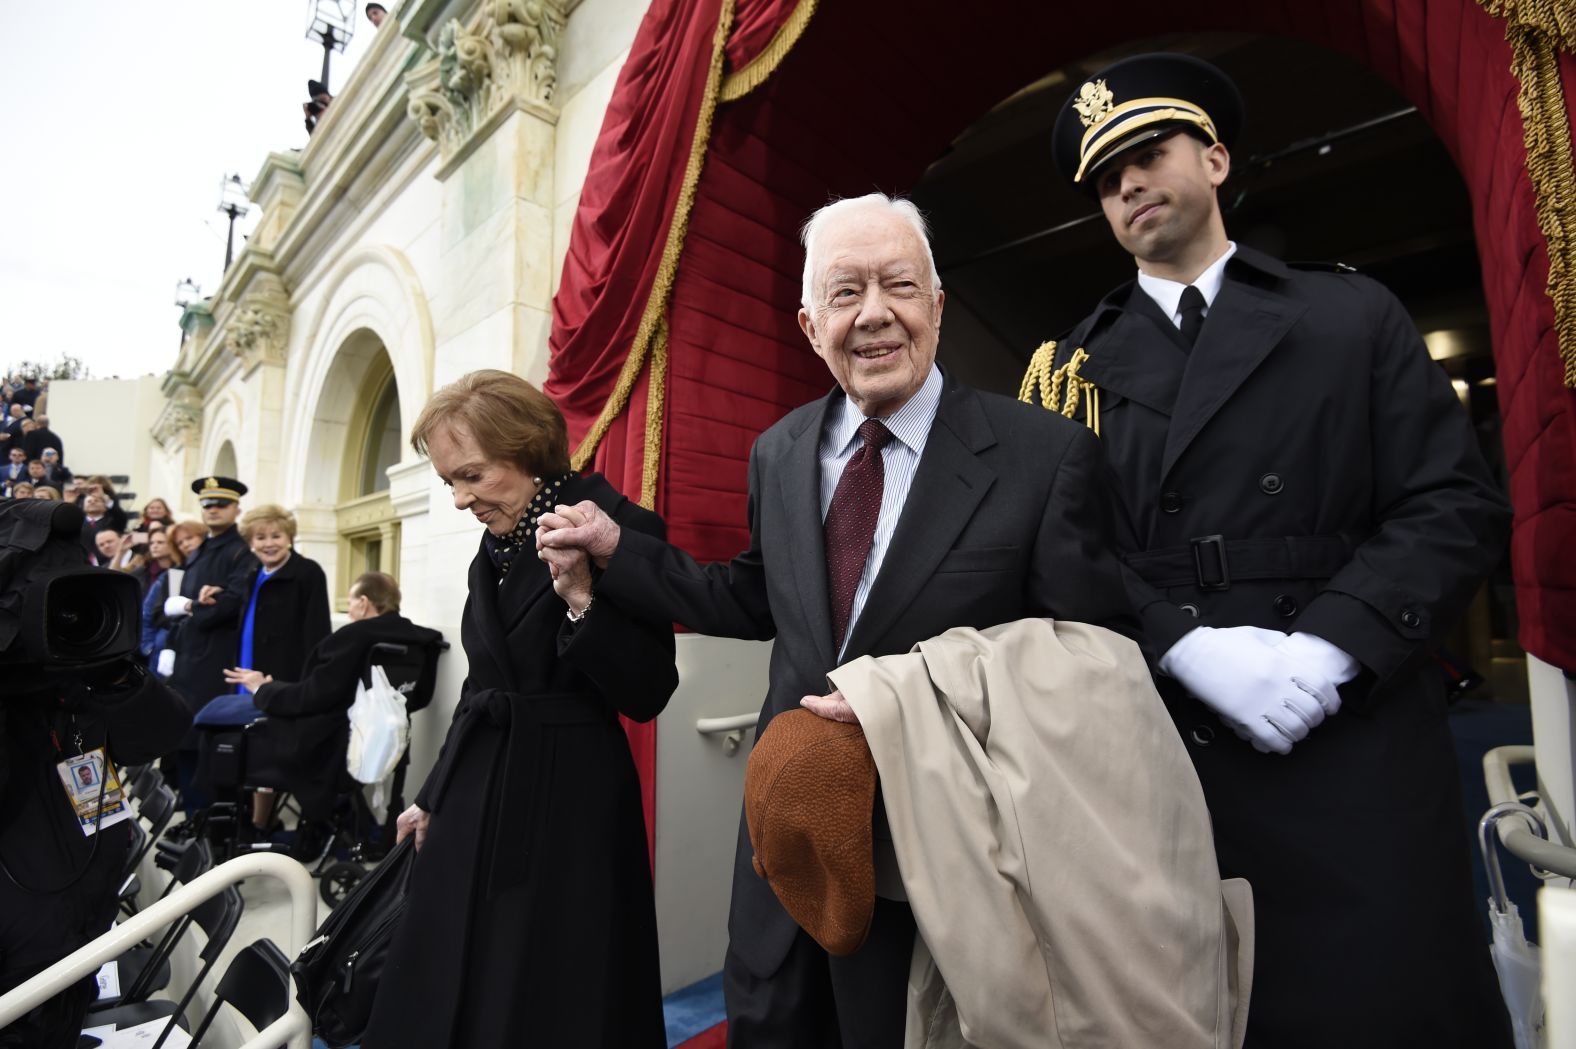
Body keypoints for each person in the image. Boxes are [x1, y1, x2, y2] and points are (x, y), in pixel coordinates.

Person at [537, 194, 1136, 1049]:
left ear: (937, 305)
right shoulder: (779, 450)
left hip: (939, 858)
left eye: (899, 284)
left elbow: (1090, 658)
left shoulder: (1044, 455)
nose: (876, 312)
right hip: (787, 849)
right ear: (810, 324)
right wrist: (619, 550)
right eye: (846, 291)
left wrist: (913, 693)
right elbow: (754, 595)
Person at [1026, 53, 1513, 1048]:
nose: (1123, 182)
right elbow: (1060, 553)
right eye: (1101, 176)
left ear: (1213, 158)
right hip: (1171, 740)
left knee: (1387, 1003)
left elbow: (1449, 501)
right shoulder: (1068, 366)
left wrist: (1330, 646)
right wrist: (1185, 646)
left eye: (1144, 152)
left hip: (1355, 726)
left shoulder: (1348, 314)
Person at [361, 370, 678, 1049]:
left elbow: (649, 690)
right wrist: (433, 793)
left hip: (574, 799)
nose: (458, 498)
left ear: (529, 450)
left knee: (559, 991)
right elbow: (482, 685)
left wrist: (583, 602)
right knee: (457, 975)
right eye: (449, 481)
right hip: (478, 789)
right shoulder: (497, 543)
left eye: (471, 475)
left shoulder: (620, 525)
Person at [224, 571, 442, 847]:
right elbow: (419, 697)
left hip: (333, 745)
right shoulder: (421, 641)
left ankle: (256, 827)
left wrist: (263, 688)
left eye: (350, 603)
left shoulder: (353, 636)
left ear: (363, 602)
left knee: (243, 730)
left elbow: (313, 696)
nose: (349, 611)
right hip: (387, 742)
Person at [198, 504, 331, 833]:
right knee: (247, 743)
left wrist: (298, 683)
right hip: (246, 666)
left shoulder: (308, 572)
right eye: (260, 537)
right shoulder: (251, 573)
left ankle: (260, 822)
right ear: (250, 542)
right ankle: (249, 819)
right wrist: (217, 593)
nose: (268, 542)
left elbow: (318, 634)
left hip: (281, 676)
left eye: (276, 535)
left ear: (289, 538)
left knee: (267, 747)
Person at [164, 477, 254, 808]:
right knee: (185, 740)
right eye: (207, 504)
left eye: (221, 504)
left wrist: (191, 606)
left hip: (214, 662)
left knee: (206, 742)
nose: (213, 510)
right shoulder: (201, 550)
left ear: (236, 509)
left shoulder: (239, 551)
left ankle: (207, 821)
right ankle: (192, 814)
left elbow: (231, 603)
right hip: (189, 659)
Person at [143, 522, 204, 674]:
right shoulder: (173, 575)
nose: (185, 545)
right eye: (180, 543)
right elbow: (154, 613)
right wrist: (148, 647)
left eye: (189, 538)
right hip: (170, 643)